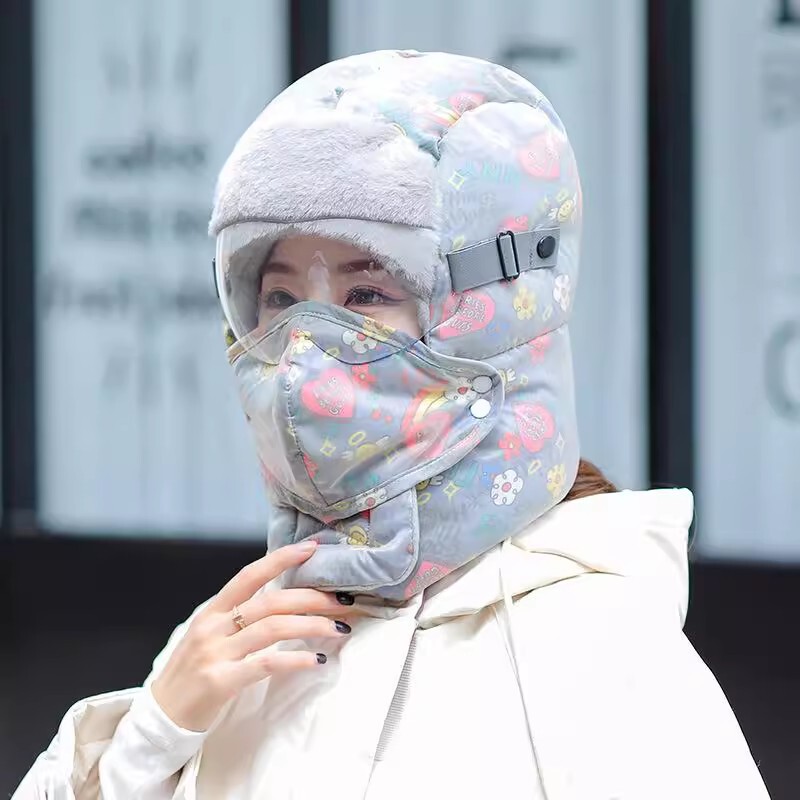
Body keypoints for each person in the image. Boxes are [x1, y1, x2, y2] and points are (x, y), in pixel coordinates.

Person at [13, 50, 770, 800]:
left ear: (492, 312)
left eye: (368, 294)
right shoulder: (237, 647)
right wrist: (149, 739)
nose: (306, 351)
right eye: (280, 300)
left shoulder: (600, 649)